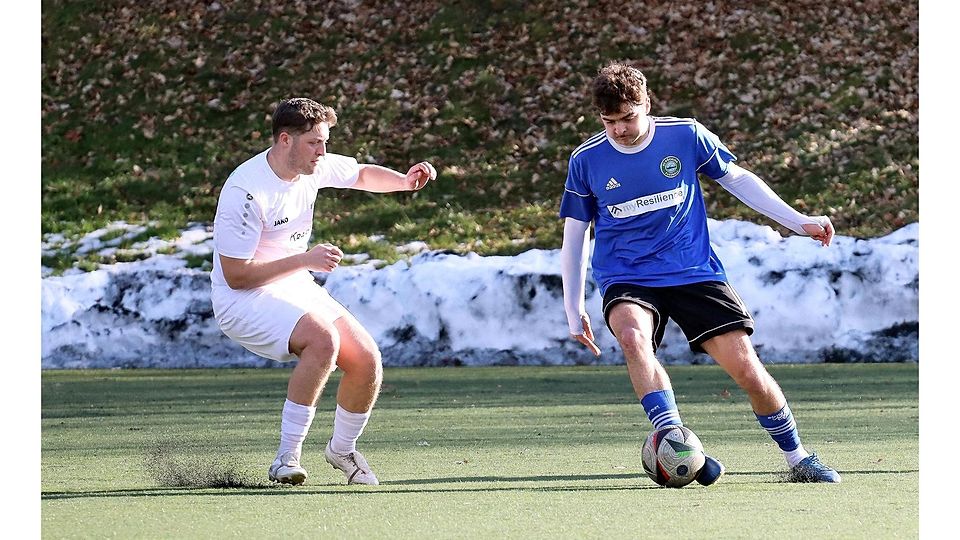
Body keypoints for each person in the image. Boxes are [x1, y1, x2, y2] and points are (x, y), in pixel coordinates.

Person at [559, 63, 841, 484]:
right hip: (627, 275)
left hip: (693, 271)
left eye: (627, 118)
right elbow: (576, 234)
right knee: (634, 339)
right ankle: (677, 443)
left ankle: (797, 458)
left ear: (647, 105)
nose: (618, 130)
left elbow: (739, 180)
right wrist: (572, 304)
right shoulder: (587, 160)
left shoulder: (685, 135)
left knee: (747, 371)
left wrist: (797, 220)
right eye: (609, 121)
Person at [210, 97, 437, 486]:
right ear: (285, 140)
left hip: (291, 283)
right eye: (315, 142)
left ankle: (342, 450)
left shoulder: (312, 164)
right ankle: (287, 458)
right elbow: (237, 276)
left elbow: (362, 174)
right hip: (241, 299)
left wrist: (402, 181)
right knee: (322, 340)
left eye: (325, 142)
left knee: (366, 359)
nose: (323, 151)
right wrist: (305, 260)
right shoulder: (245, 191)